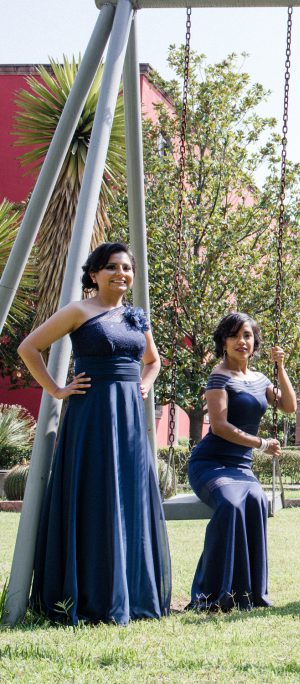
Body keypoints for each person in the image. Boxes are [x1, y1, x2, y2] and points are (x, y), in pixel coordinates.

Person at [19, 242, 170, 625]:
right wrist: (57, 389)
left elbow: (152, 361)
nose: (121, 274)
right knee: (96, 493)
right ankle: (91, 593)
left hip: (131, 419)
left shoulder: (137, 318)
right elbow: (29, 347)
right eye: (112, 267)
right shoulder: (78, 311)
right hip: (92, 416)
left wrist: (145, 384)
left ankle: (131, 592)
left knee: (128, 494)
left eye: (127, 268)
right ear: (94, 274)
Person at [186, 313, 296, 611]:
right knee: (231, 505)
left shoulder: (260, 380)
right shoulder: (218, 377)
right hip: (210, 463)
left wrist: (280, 367)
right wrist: (261, 444)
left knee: (257, 502)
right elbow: (219, 426)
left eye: (247, 336)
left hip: (241, 467)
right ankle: (210, 592)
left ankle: (245, 592)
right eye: (234, 336)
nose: (241, 342)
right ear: (224, 341)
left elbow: (288, 406)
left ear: (254, 342)